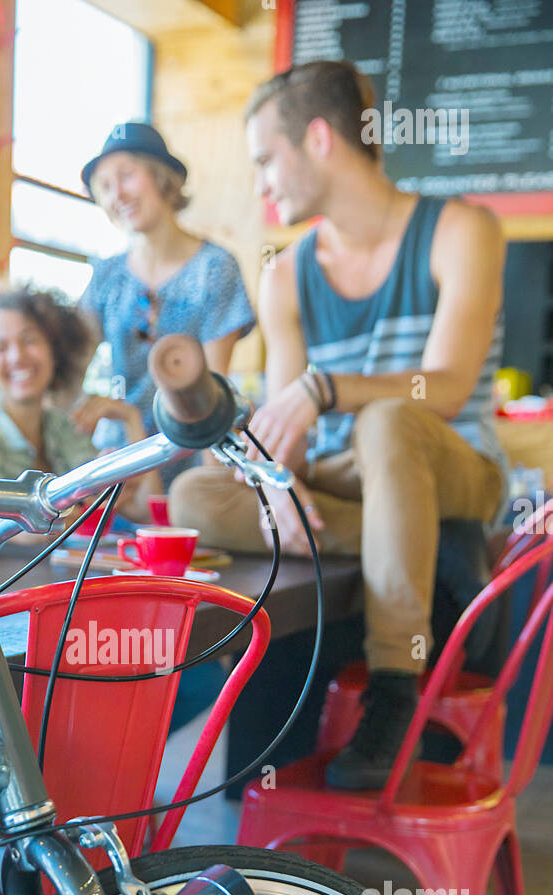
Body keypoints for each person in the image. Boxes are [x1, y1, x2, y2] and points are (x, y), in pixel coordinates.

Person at [168, 60, 509, 789]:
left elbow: (443, 390)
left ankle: (393, 689)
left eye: (265, 159)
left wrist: (327, 388)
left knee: (390, 422)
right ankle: (434, 556)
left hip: (452, 467)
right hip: (357, 484)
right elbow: (284, 430)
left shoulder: (462, 229)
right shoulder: (286, 273)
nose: (259, 183)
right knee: (196, 494)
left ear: (318, 139)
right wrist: (270, 483)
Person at [79, 121, 256, 484]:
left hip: (189, 453)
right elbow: (70, 362)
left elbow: (214, 389)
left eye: (127, 176)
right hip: (120, 459)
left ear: (162, 177)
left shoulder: (215, 268)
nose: (117, 196)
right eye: (105, 187)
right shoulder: (106, 276)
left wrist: (210, 485)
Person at [0, 281, 155, 520]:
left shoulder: (64, 429)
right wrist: (81, 508)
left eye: (29, 341)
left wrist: (131, 419)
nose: (17, 356)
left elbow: (145, 511)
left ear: (55, 352)